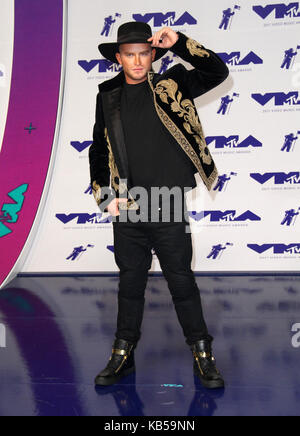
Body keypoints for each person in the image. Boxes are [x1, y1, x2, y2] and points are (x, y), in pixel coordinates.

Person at [89, 21, 229, 389]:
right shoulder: (107, 94)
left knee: (181, 281)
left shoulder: (173, 83)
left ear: (153, 54)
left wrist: (180, 42)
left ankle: (202, 353)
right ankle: (123, 354)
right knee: (129, 284)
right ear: (118, 58)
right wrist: (104, 194)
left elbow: (217, 70)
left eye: (144, 53)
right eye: (129, 55)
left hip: (167, 202)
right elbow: (98, 148)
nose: (137, 61)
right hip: (129, 203)